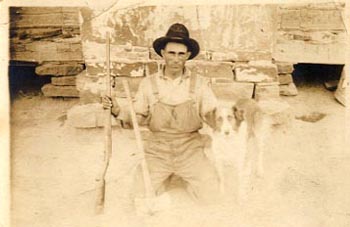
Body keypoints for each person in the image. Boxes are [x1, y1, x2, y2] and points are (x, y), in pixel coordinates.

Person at [102, 23, 219, 203]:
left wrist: (227, 122)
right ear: (163, 53)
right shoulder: (148, 84)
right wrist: (116, 110)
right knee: (139, 197)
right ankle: (168, 178)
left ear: (188, 56)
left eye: (181, 54)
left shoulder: (200, 84)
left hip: (190, 149)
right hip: (157, 150)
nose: (175, 59)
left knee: (212, 196)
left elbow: (214, 115)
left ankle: (184, 179)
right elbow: (137, 116)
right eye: (171, 53)